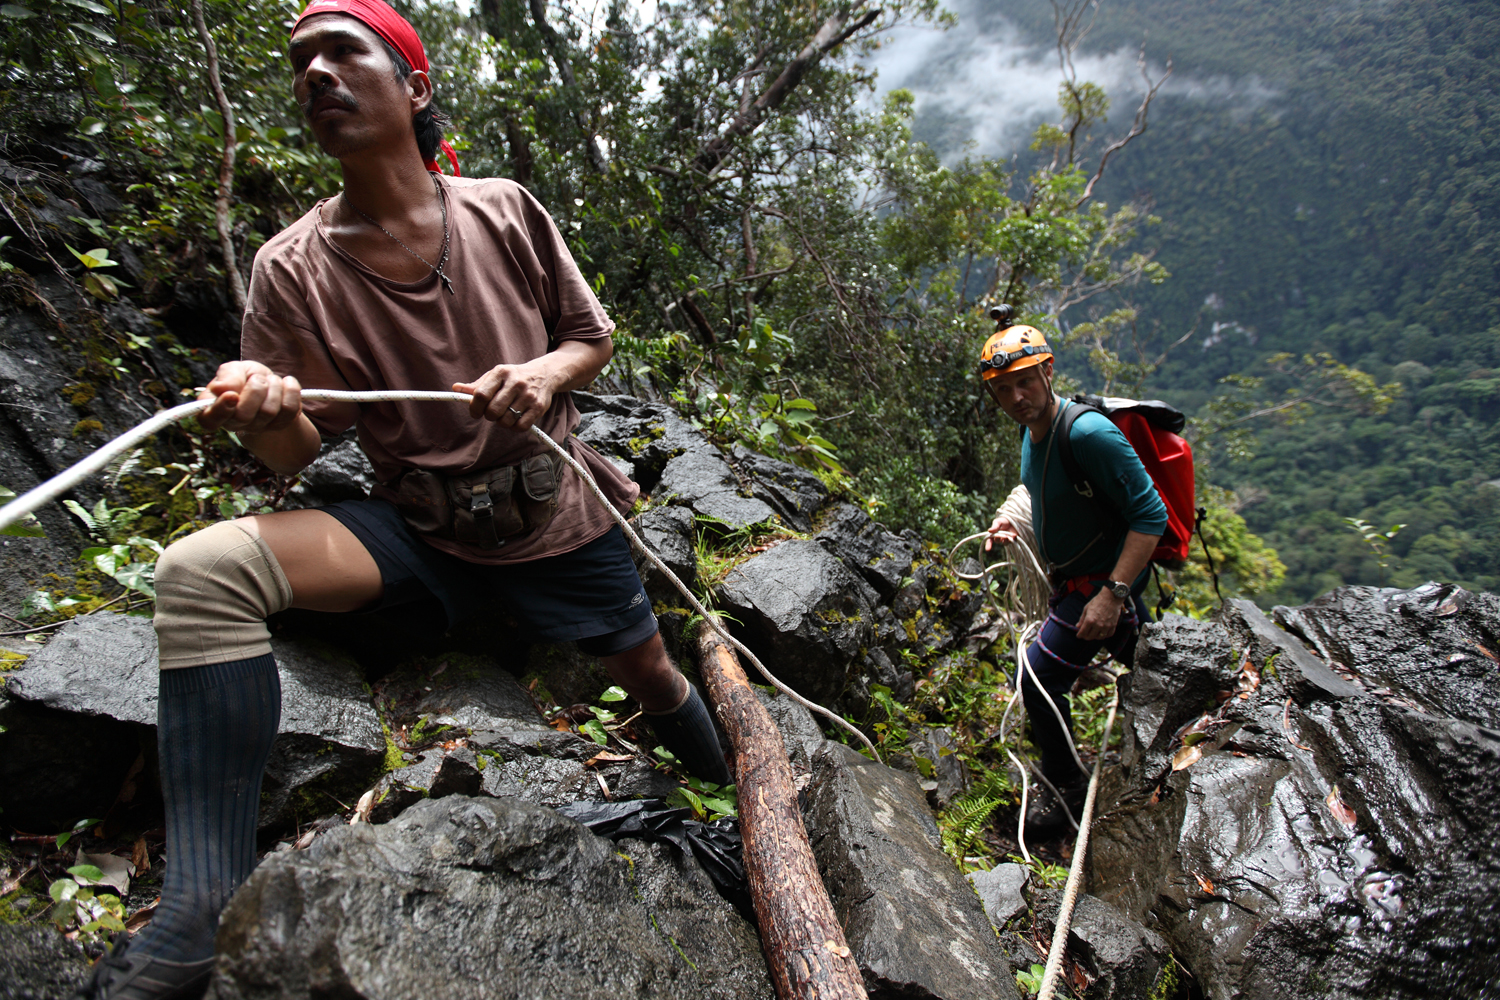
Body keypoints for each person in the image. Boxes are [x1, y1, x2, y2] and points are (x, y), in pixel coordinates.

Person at [77, 3, 728, 997]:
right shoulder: (288, 268)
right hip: (420, 529)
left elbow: (589, 337)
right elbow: (298, 449)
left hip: (553, 516)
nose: (317, 74)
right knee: (201, 569)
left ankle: (742, 787)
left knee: (647, 669)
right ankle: (199, 905)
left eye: (344, 53)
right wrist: (259, 408)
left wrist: (545, 376)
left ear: (414, 86)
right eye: (302, 63)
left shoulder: (503, 209)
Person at [979, 307, 1167, 836]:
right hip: (1082, 580)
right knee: (1149, 662)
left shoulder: (1087, 435)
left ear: (1048, 371)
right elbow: (1037, 491)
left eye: (1024, 382)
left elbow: (1151, 516)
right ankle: (1177, 716)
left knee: (1036, 678)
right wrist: (1009, 522)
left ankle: (1067, 790)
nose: (1017, 397)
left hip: (1101, 583)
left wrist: (1111, 596)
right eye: (1004, 390)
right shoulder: (1032, 432)